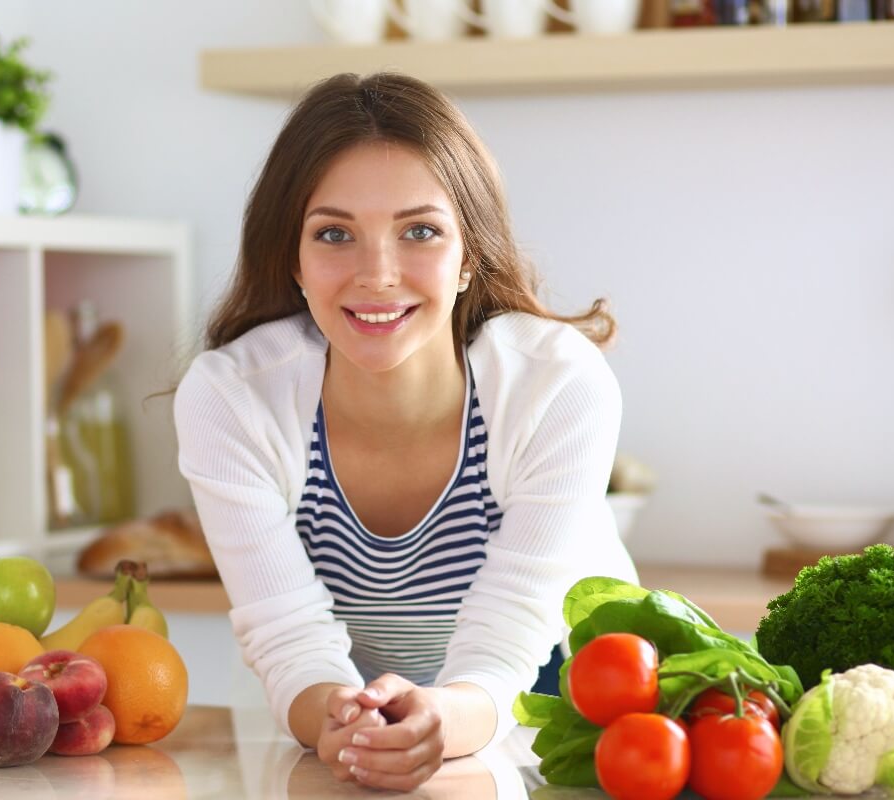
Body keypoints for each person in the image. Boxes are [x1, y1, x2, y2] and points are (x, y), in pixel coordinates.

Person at [173, 71, 637, 792]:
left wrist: (442, 720)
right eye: (335, 234)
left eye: (419, 231)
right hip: (348, 704)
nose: (378, 275)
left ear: (469, 256)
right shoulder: (231, 398)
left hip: (570, 696)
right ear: (292, 260)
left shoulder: (557, 384)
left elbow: (512, 633)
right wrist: (340, 716)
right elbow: (287, 636)